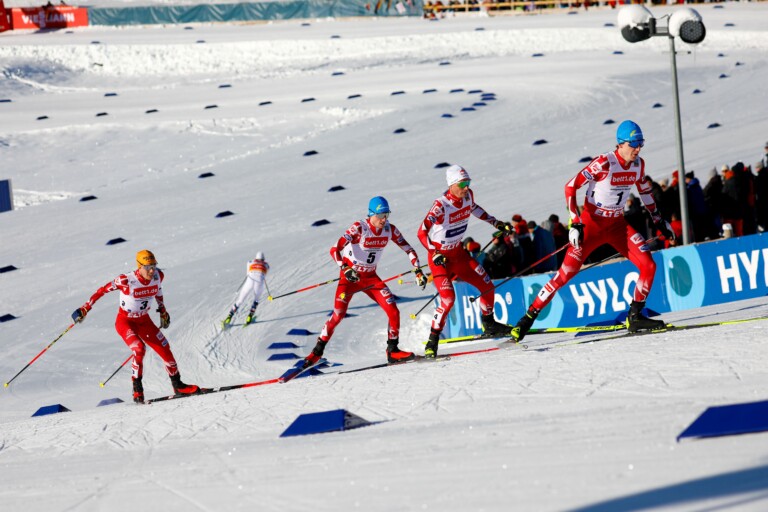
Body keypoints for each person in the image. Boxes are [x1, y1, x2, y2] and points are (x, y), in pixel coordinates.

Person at [511, 120, 675, 342]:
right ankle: (527, 319)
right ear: (621, 143)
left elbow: (644, 191)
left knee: (648, 265)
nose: (638, 149)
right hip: (591, 225)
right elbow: (570, 186)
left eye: (641, 143)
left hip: (617, 225)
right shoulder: (604, 163)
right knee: (565, 275)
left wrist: (658, 220)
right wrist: (575, 222)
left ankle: (635, 316)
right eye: (634, 144)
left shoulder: (638, 165)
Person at [301, 196, 428, 366]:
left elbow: (409, 249)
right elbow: (334, 249)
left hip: (370, 278)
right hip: (350, 279)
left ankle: (393, 351)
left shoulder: (390, 230)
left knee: (393, 311)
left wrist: (418, 270)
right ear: (371, 214)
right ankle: (316, 352)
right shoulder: (359, 228)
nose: (384, 219)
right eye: (381, 215)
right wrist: (345, 268)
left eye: (387, 215)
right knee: (338, 315)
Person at [71, 250, 200, 403]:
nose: (151, 270)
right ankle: (137, 390)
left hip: (144, 321)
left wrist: (163, 310)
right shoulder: (125, 280)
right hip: (125, 322)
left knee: (165, 349)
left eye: (154, 266)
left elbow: (158, 290)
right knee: (139, 349)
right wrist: (85, 308)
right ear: (139, 266)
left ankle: (178, 385)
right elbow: (102, 290)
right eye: (147, 267)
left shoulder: (158, 276)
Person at [418, 164, 511, 358]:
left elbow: (474, 209)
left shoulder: (468, 196)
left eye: (468, 182)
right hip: (440, 259)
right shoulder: (441, 205)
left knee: (487, 285)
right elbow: (421, 232)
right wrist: (434, 252)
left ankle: (489, 323)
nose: (466, 187)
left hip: (459, 254)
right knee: (448, 299)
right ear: (452, 184)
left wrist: (496, 223)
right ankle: (432, 340)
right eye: (462, 184)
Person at [223, 252, 269, 327]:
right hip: (259, 281)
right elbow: (265, 273)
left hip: (249, 281)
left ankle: (229, 317)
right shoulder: (266, 265)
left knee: (240, 300)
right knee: (256, 300)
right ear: (263, 259)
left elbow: (247, 273)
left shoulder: (250, 262)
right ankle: (249, 317)